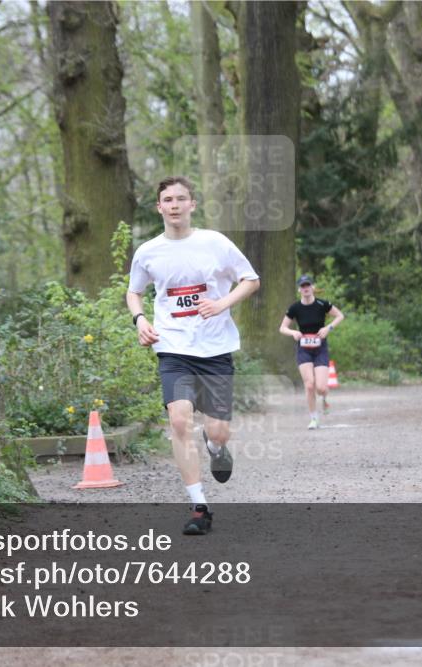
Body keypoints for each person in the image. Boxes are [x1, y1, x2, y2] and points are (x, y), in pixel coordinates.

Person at [127, 176, 260, 535]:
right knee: (180, 421)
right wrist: (140, 320)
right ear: (159, 207)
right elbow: (134, 292)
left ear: (192, 204)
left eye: (180, 198)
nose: (174, 205)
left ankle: (215, 447)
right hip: (172, 348)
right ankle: (199, 506)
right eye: (167, 199)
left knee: (218, 431)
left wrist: (221, 303)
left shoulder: (214, 243)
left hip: (215, 348)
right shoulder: (148, 251)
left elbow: (250, 279)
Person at [278, 275, 344, 429]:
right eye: (302, 286)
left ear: (313, 287)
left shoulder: (322, 304)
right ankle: (314, 418)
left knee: (321, 387)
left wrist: (328, 328)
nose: (305, 288)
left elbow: (340, 316)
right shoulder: (295, 308)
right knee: (309, 385)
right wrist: (293, 333)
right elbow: (282, 328)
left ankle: (324, 397)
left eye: (308, 285)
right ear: (299, 289)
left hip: (320, 348)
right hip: (303, 349)